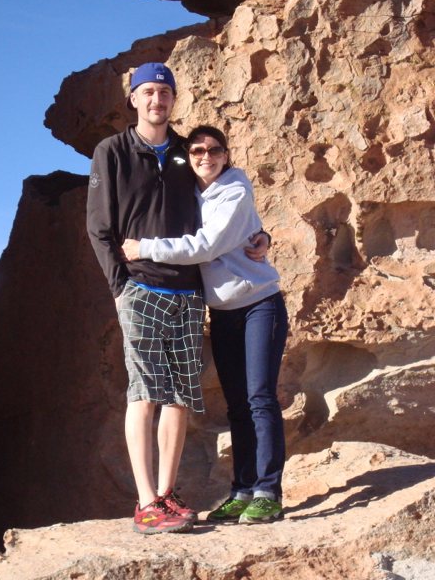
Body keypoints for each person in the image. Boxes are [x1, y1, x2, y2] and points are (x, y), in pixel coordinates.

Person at [86, 64, 269, 535]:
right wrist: (119, 287)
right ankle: (147, 502)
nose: (157, 100)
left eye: (164, 92)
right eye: (148, 92)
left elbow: (227, 201)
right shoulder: (113, 151)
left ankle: (167, 494)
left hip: (189, 291)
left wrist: (259, 233)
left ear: (173, 98)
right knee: (145, 392)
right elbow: (99, 227)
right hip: (140, 287)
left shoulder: (190, 152)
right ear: (133, 98)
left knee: (180, 396)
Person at [122, 125, 289, 525]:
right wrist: (261, 233)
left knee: (260, 399)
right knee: (237, 406)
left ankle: (268, 492)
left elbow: (207, 245)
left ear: (226, 155)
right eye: (197, 151)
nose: (206, 157)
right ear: (188, 156)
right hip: (224, 312)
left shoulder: (235, 188)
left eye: (214, 150)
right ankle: (243, 490)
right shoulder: (190, 192)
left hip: (259, 305)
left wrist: (144, 248)